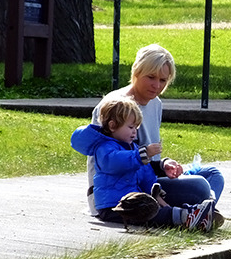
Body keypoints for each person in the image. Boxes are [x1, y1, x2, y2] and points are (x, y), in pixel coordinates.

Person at [86, 43, 225, 216]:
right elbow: (116, 162)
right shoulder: (116, 105)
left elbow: (151, 158)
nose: (156, 86)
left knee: (213, 174)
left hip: (153, 176)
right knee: (200, 186)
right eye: (151, 77)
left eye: (163, 80)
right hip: (127, 189)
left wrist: (165, 164)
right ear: (136, 72)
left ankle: (201, 213)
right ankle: (198, 212)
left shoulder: (156, 103)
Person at [72, 95, 217, 231]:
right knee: (147, 213)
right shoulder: (104, 148)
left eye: (136, 127)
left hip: (131, 202)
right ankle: (186, 217)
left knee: (152, 209)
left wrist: (156, 193)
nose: (134, 132)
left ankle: (193, 215)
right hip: (112, 206)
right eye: (130, 127)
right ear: (112, 125)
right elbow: (116, 162)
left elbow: (145, 173)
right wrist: (143, 154)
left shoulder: (133, 148)